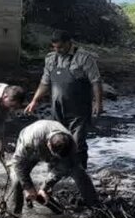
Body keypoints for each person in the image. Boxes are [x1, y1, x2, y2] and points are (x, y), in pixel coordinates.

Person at [25, 31, 102, 170]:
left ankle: (80, 172)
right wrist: (34, 101)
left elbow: (96, 82)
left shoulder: (84, 58)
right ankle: (56, 170)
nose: (57, 50)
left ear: (69, 43)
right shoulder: (51, 59)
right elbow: (45, 83)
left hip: (79, 109)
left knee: (77, 143)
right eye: (54, 47)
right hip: (58, 109)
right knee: (57, 141)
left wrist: (98, 102)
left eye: (60, 47)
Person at [4, 119, 97, 213]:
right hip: (32, 148)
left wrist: (45, 187)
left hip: (54, 148)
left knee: (78, 171)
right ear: (48, 145)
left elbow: (62, 168)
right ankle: (15, 215)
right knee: (17, 180)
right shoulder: (30, 140)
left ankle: (96, 207)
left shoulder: (71, 144)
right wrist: (28, 187)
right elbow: (17, 163)